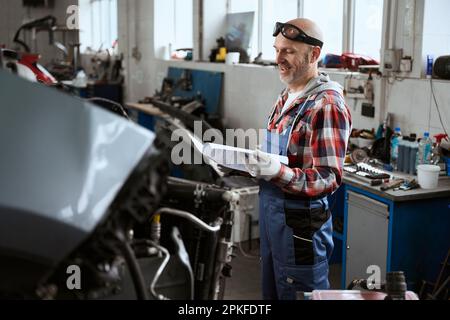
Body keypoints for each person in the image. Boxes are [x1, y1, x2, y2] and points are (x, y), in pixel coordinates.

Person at [245, 18, 352, 300]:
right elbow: (285, 155)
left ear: (314, 55)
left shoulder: (326, 104)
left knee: (299, 293)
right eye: (277, 49)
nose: (278, 58)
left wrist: (276, 171)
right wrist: (248, 162)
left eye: (288, 51)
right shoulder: (289, 94)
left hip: (300, 226)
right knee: (274, 290)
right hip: (274, 219)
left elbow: (328, 177)